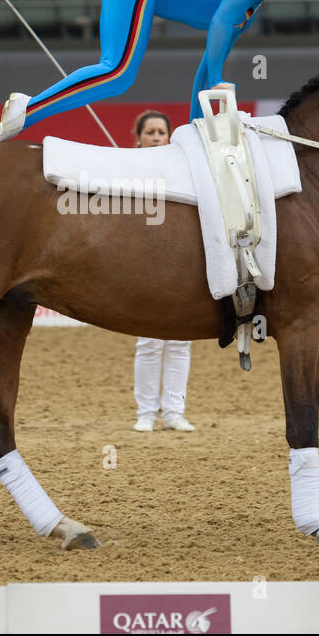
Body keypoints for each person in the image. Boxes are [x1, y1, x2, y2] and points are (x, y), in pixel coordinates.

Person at [0, 0, 315, 144]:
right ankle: (28, 110)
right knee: (117, 73)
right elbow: (218, 26)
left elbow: (207, 66)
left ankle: (27, 112)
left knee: (115, 71)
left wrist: (196, 132)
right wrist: (217, 80)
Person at [128, 110, 195, 432]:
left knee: (180, 341)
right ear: (138, 137)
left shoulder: (183, 169)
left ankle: (173, 411)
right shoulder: (126, 170)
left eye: (161, 132)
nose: (156, 137)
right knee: (150, 340)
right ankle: (145, 412)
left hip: (180, 263)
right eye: (150, 132)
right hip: (143, 263)